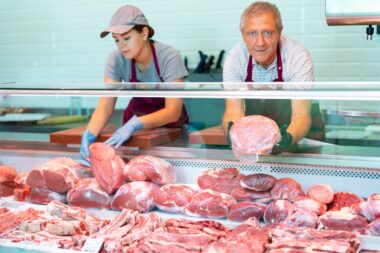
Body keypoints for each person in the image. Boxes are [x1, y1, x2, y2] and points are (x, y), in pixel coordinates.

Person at [80, 5, 189, 163]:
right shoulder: (116, 60)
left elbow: (173, 111)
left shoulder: (168, 57)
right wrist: (89, 133)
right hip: (135, 135)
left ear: (144, 33)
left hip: (169, 133)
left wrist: (135, 124)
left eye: (126, 38)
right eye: (116, 40)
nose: (121, 45)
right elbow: (106, 104)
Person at [222, 1, 325, 154]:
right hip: (256, 143)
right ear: (242, 34)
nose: (260, 42)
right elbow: (233, 109)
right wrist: (236, 135)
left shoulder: (296, 56)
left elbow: (301, 114)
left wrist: (287, 138)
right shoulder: (236, 57)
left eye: (267, 32)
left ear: (279, 32)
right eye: (252, 33)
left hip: (299, 140)